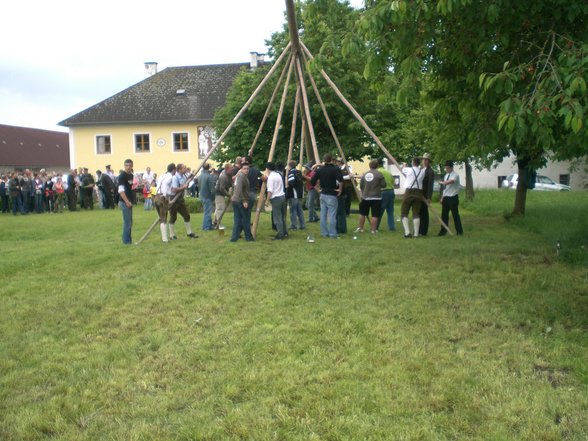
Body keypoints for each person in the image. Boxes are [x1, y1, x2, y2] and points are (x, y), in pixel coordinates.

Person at [310, 153, 344, 239]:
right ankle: (333, 234)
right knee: (332, 215)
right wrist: (340, 190)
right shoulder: (335, 169)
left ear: (324, 160)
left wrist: (318, 190)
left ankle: (324, 233)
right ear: (331, 160)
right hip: (331, 194)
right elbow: (341, 180)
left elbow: (312, 181)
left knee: (323, 214)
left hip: (323, 194)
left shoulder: (320, 170)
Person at [355, 159, 386, 234]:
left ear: (369, 166)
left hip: (365, 197)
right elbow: (384, 185)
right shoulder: (379, 174)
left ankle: (361, 228)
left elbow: (361, 186)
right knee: (375, 215)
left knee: (362, 213)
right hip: (376, 197)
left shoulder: (365, 174)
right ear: (377, 166)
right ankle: (373, 230)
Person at [169, 163, 198, 240]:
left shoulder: (184, 176)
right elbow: (174, 189)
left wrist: (191, 176)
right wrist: (183, 187)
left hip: (180, 199)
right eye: (184, 168)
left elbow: (187, 182)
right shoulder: (175, 177)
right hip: (173, 199)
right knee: (173, 217)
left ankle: (189, 233)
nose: (186, 169)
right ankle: (172, 235)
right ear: (179, 170)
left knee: (186, 215)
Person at [400, 157, 425, 238]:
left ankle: (407, 233)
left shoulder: (409, 169)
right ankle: (416, 234)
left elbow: (402, 169)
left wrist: (404, 165)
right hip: (418, 192)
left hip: (409, 191)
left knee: (404, 212)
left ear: (413, 162)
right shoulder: (422, 172)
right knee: (416, 213)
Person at [438, 160, 464, 236]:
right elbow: (445, 188)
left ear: (452, 167)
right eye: (446, 168)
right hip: (446, 197)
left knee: (455, 215)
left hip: (453, 198)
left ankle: (459, 231)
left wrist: (442, 182)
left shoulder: (455, 175)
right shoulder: (446, 175)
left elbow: (451, 182)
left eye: (448, 168)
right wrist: (442, 197)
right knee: (444, 215)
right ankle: (443, 231)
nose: (447, 169)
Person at [230, 163, 254, 242]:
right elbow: (239, 189)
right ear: (241, 169)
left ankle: (234, 238)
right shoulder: (241, 176)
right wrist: (244, 201)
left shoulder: (240, 176)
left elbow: (236, 187)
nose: (246, 170)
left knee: (238, 220)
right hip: (240, 201)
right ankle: (248, 237)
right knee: (245, 220)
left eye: (247, 169)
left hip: (236, 200)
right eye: (244, 168)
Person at [265, 162, 287, 240]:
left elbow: (270, 191)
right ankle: (285, 232)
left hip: (276, 198)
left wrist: (267, 200)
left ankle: (280, 234)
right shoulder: (278, 175)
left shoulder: (271, 177)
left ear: (267, 169)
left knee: (277, 217)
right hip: (282, 196)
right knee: (282, 216)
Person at [154, 163, 176, 242]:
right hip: (162, 198)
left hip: (156, 197)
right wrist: (166, 195)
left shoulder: (162, 175)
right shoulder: (170, 177)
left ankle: (165, 238)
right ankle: (165, 239)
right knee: (163, 218)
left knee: (161, 217)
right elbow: (168, 187)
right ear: (173, 170)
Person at [117, 159, 135, 244]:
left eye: (130, 166)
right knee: (127, 222)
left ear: (132, 166)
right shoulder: (122, 176)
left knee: (130, 222)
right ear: (124, 166)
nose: (128, 167)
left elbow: (130, 188)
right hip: (124, 202)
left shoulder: (131, 175)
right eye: (126, 165)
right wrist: (127, 202)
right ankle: (126, 241)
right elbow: (121, 191)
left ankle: (128, 240)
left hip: (129, 201)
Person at [376, 158, 396, 231]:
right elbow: (394, 183)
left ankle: (376, 226)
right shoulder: (388, 172)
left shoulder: (377, 172)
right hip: (391, 191)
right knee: (390, 211)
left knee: (380, 210)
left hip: (383, 192)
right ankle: (392, 227)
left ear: (377, 164)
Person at [286, 160, 305, 231]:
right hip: (300, 194)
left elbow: (292, 183)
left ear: (289, 166)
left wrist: (287, 186)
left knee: (293, 210)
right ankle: (302, 225)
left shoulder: (291, 173)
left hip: (294, 194)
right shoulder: (299, 172)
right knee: (299, 210)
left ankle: (293, 225)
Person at [419, 153, 435, 236]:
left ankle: (423, 231)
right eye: (423, 159)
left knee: (424, 213)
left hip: (425, 195)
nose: (424, 161)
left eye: (426, 160)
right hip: (418, 194)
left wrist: (429, 197)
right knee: (418, 212)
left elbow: (430, 185)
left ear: (429, 161)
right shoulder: (420, 169)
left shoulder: (430, 171)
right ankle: (419, 230)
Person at [214, 163, 234, 227]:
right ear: (227, 169)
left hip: (222, 192)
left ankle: (215, 222)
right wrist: (229, 195)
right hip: (219, 193)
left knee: (218, 208)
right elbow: (221, 188)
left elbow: (231, 183)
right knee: (220, 208)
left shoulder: (229, 174)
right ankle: (218, 224)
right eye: (231, 170)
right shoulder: (223, 176)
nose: (232, 171)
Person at [198, 163, 215, 231]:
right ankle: (206, 227)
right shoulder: (209, 176)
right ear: (209, 168)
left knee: (207, 212)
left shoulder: (200, 176)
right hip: (208, 196)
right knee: (208, 213)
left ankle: (209, 225)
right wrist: (213, 197)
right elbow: (212, 189)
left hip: (202, 196)